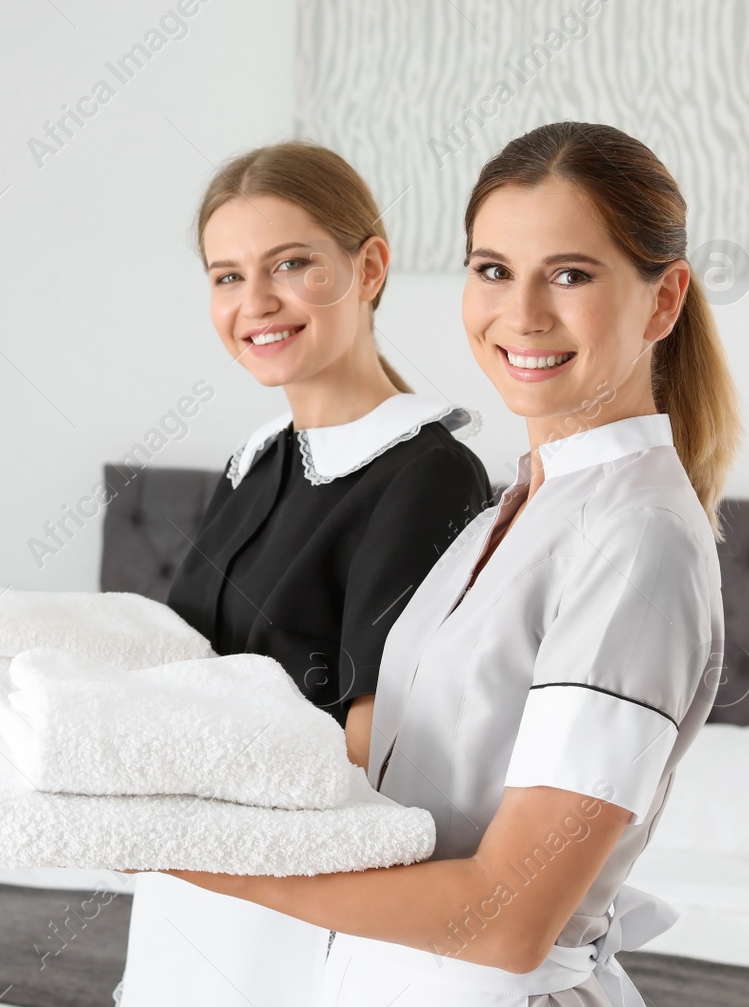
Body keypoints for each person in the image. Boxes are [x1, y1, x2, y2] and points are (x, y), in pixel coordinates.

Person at [165, 121, 742, 1007]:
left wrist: (197, 856)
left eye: (572, 274)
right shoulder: (506, 517)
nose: (524, 313)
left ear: (662, 302)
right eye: (493, 270)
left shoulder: (638, 541)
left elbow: (510, 917)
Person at [120, 142, 492, 1006]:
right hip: (189, 894)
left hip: (303, 916)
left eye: (292, 264)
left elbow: (373, 752)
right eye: (227, 275)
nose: (256, 303)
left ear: (369, 268)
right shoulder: (255, 461)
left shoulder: (427, 471)